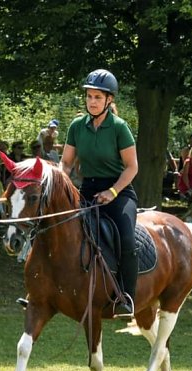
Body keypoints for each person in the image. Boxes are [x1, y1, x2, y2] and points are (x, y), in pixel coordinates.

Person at [61, 68, 139, 317]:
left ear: (109, 100)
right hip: (87, 190)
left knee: (127, 239)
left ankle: (126, 297)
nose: (92, 102)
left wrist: (113, 192)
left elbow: (132, 167)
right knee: (57, 228)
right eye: (89, 96)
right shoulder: (76, 126)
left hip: (119, 191)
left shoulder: (119, 127)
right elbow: (66, 163)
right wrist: (58, 180)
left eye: (97, 97)